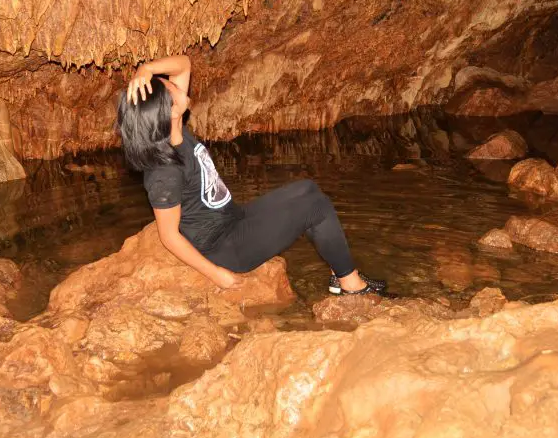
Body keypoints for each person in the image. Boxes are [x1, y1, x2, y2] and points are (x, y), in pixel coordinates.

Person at [116, 54, 387, 295]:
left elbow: (184, 63)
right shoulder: (165, 172)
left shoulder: (175, 132)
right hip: (226, 247)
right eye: (172, 87)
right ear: (169, 111)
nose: (177, 84)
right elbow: (169, 236)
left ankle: (339, 272)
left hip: (235, 217)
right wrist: (215, 274)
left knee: (307, 189)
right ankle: (350, 284)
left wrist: (147, 69)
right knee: (316, 207)